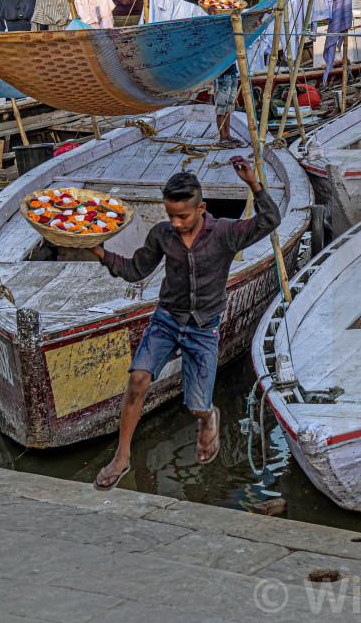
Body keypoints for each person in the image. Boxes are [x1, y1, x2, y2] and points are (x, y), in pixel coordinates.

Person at [89, 163, 281, 490]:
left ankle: (208, 420)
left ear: (201, 209)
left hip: (204, 328)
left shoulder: (225, 233)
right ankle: (121, 457)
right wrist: (100, 253)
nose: (176, 224)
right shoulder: (162, 235)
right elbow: (137, 269)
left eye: (183, 217)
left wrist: (254, 184)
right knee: (138, 379)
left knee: (196, 406)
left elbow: (270, 221)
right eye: (171, 216)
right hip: (166, 320)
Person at [214, 62, 241, 145]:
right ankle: (222, 137)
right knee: (221, 109)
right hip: (222, 75)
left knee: (228, 108)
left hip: (232, 74)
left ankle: (228, 135)